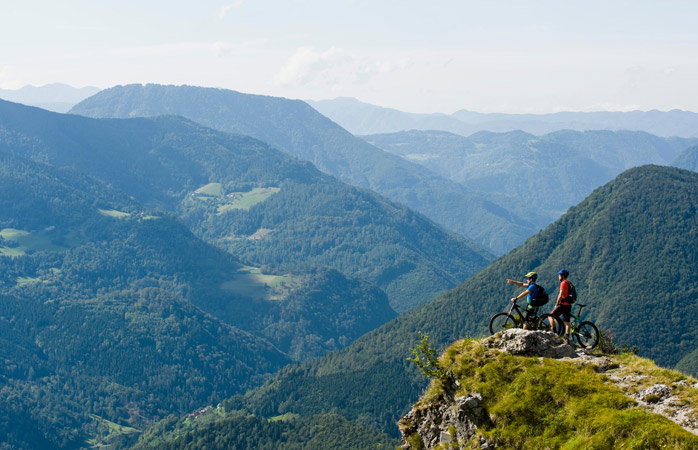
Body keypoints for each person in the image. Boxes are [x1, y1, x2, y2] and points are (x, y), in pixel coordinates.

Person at [549, 269, 574, 341]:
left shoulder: (563, 283)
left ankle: (554, 333)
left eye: (559, 275)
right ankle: (567, 338)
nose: (558, 276)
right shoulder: (569, 283)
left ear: (562, 276)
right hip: (568, 305)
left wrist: (556, 304)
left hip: (562, 305)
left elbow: (560, 295)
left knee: (550, 316)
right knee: (567, 322)